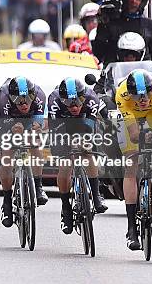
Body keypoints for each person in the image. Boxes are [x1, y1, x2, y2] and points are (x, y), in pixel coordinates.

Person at [116, 69, 152, 250]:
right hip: (131, 116)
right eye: (137, 96)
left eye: (146, 94)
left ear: (151, 90)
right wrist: (141, 136)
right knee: (131, 163)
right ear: (130, 93)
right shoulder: (122, 94)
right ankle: (131, 228)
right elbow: (133, 135)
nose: (142, 100)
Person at [48, 78, 108, 235]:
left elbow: (92, 126)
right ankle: (66, 207)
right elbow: (55, 128)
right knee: (65, 164)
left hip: (85, 123)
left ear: (84, 97)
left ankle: (96, 196)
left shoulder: (91, 99)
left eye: (78, 101)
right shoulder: (54, 101)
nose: (74, 106)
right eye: (69, 102)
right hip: (62, 125)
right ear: (62, 100)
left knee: (88, 154)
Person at [92, 0, 152, 86]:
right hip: (113, 82)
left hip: (144, 80)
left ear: (143, 2)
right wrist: (102, 24)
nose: (134, 2)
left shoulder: (150, 26)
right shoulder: (110, 23)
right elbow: (98, 53)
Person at [0, 76, 48, 228]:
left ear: (33, 95)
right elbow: (4, 124)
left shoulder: (40, 96)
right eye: (19, 100)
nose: (24, 104)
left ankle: (38, 186)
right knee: (7, 157)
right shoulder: (4, 96)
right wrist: (12, 130)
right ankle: (6, 201)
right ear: (12, 98)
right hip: (8, 120)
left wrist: (36, 128)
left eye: (27, 99)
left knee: (35, 143)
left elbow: (38, 123)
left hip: (30, 120)